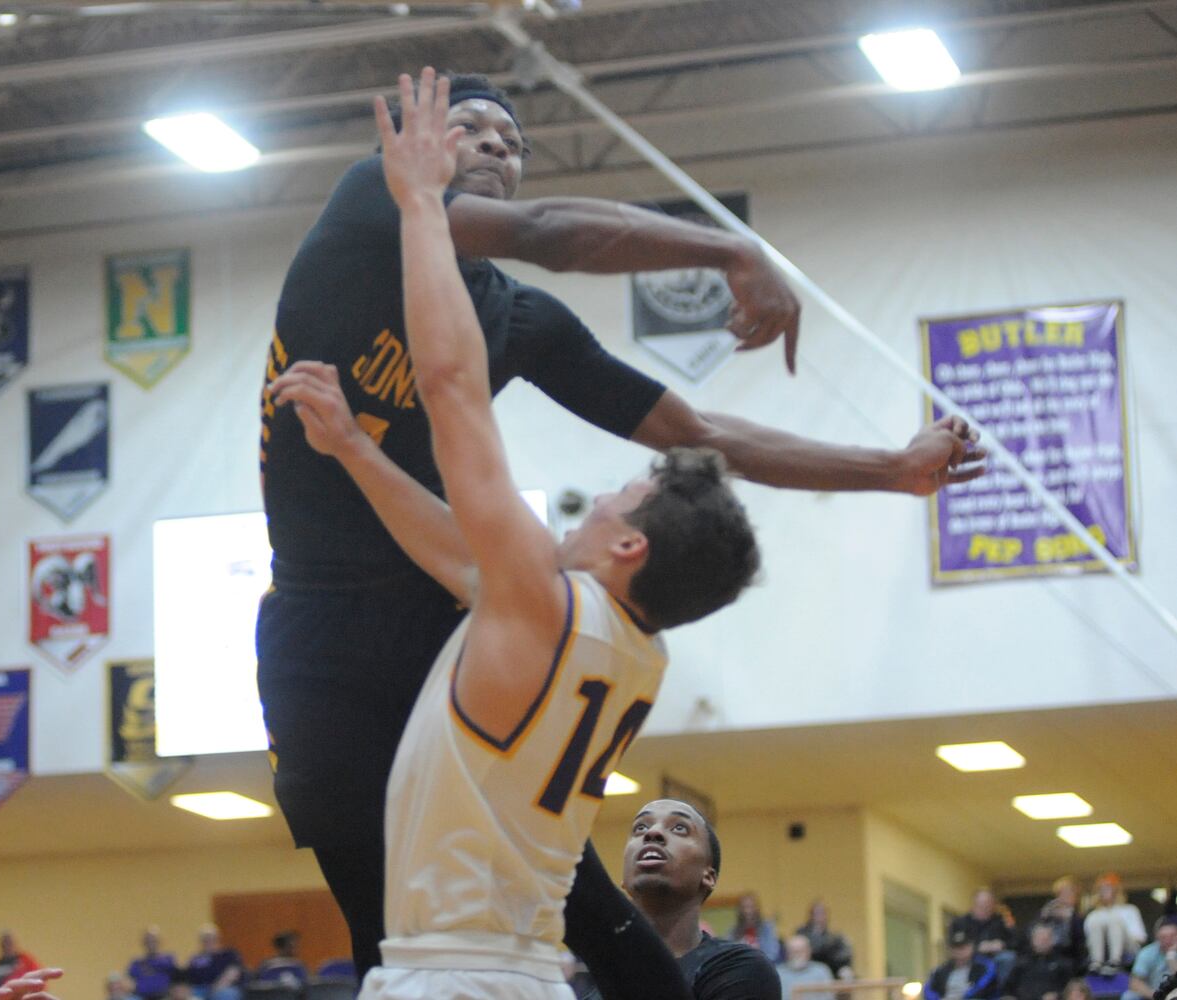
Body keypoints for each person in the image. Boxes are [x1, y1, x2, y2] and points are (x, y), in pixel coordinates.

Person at [258, 64, 985, 995]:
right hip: (329, 623)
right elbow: (546, 235)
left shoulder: (517, 328)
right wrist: (729, 252)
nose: (492, 147)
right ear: (401, 148)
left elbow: (700, 434)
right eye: (470, 126)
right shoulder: (371, 202)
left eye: (511, 143)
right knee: (516, 915)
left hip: (442, 602)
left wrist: (884, 470)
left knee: (525, 918)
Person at [271, 69, 760, 1000]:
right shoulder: (623, 648)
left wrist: (418, 202)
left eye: (620, 498)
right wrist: (353, 448)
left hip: (446, 977)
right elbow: (453, 549)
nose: (598, 500)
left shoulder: (534, 601)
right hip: (529, 968)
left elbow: (452, 388)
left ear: (629, 550)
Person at [577, 799, 780, 1000]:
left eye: (680, 828)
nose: (652, 833)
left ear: (708, 876)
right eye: (640, 827)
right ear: (624, 878)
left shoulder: (740, 969)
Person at [1083, 874, 1146, 972]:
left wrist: (1116, 936)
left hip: (1128, 947)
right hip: (1102, 949)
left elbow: (1140, 937)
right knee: (1096, 920)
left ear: (1116, 890)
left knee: (1114, 921)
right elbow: (1088, 939)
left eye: (1108, 888)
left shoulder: (1129, 909)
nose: (1104, 891)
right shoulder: (1093, 914)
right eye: (1101, 889)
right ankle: (1096, 962)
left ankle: (1115, 961)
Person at [951, 891, 1016, 984]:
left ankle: (1003, 992)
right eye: (981, 905)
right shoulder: (960, 923)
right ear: (974, 905)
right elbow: (955, 944)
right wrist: (977, 947)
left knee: (1008, 958)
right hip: (970, 958)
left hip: (996, 959)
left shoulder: (1001, 921)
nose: (985, 909)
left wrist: (1002, 945)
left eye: (988, 905)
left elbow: (1015, 941)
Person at [1002, 924, 1074, 1000]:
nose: (1043, 942)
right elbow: (1008, 988)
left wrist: (1057, 995)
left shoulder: (1062, 963)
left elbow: (1070, 988)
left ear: (1052, 940)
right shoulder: (1021, 962)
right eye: (1040, 938)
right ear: (1033, 940)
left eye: (1047, 939)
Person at [924, 930, 1000, 1000]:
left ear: (971, 947)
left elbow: (984, 987)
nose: (959, 952)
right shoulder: (940, 970)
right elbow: (928, 989)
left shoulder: (984, 967)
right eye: (955, 948)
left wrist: (965, 997)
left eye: (963, 947)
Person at [797, 902, 854, 981]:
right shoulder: (802, 934)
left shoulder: (833, 937)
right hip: (806, 971)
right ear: (811, 916)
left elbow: (842, 956)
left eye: (822, 914)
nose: (819, 917)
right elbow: (814, 951)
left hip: (829, 971)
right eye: (816, 914)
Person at [1038, 879, 1086, 969]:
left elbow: (1081, 935)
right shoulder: (1050, 911)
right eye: (1060, 894)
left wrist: (1070, 917)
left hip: (1071, 952)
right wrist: (1046, 915)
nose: (1063, 897)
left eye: (1068, 893)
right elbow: (1038, 929)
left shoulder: (1079, 914)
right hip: (1051, 950)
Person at [1125, 918, 1177, 1000]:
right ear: (1157, 937)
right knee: (1129, 996)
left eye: (1172, 936)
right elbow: (1135, 983)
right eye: (1164, 937)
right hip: (1153, 994)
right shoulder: (1147, 953)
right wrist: (1158, 996)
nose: (1168, 940)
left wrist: (1171, 956)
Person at [184, 927, 241, 1000]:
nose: (208, 942)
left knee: (226, 995)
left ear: (217, 940)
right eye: (205, 940)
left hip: (223, 987)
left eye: (211, 939)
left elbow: (233, 972)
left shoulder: (228, 954)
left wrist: (217, 987)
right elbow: (187, 976)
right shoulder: (195, 958)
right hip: (199, 988)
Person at [728, 895, 782, 964]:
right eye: (744, 907)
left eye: (751, 907)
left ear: (757, 908)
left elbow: (772, 953)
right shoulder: (733, 931)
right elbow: (730, 954)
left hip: (763, 966)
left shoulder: (767, 928)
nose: (748, 911)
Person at [128, 927, 176, 1000]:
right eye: (148, 940)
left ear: (160, 941)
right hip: (141, 997)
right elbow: (129, 980)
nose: (151, 943)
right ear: (143, 943)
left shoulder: (169, 959)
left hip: (164, 996)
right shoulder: (136, 962)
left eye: (154, 940)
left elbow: (176, 980)